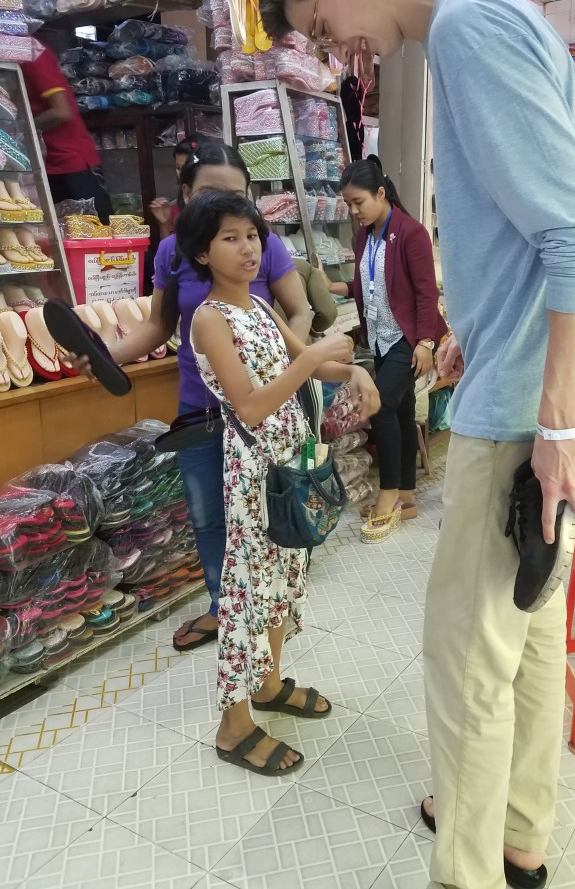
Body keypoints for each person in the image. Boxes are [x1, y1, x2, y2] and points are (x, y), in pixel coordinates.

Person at [260, 0, 575, 889]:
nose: (339, 54)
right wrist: (480, 327)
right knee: (529, 630)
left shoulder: (466, 30)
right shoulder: (496, 16)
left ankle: (466, 871)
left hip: (525, 418)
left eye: (321, 26)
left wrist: (554, 421)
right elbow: (533, 223)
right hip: (537, 385)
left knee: (465, 658)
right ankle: (517, 835)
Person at [64, 142, 314, 652]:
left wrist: (292, 362)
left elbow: (300, 310)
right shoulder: (173, 252)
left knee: (268, 509)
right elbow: (157, 326)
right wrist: (105, 356)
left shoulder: (259, 244)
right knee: (207, 515)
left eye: (237, 195)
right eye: (210, 193)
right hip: (200, 411)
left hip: (260, 410)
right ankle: (225, 608)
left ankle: (269, 607)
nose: (226, 207)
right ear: (185, 194)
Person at [176, 188, 380, 774]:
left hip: (291, 465)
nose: (248, 248)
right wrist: (314, 359)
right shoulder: (209, 320)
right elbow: (249, 406)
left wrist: (355, 373)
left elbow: (312, 362)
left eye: (252, 236)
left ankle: (267, 685)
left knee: (284, 579)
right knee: (247, 591)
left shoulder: (262, 308)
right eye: (230, 238)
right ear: (202, 252)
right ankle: (233, 724)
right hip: (254, 476)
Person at [321, 159, 446, 539]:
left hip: (407, 340)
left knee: (382, 406)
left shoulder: (411, 233)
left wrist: (425, 342)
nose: (354, 211)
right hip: (379, 339)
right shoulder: (364, 237)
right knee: (402, 414)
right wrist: (334, 287)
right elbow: (369, 285)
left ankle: (388, 494)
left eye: (358, 202)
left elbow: (426, 293)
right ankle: (406, 496)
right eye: (348, 204)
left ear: (380, 193)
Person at [19, 42, 111, 222]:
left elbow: (61, 112)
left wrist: (18, 131)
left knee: (94, 233)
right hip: (40, 166)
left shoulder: (29, 50)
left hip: (69, 163)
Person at [147, 132, 205, 238]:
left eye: (187, 167)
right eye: (178, 167)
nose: (181, 173)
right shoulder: (176, 206)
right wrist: (165, 223)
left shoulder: (217, 204)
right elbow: (169, 248)